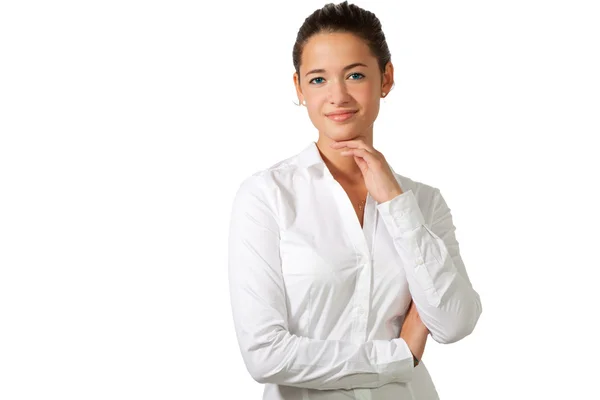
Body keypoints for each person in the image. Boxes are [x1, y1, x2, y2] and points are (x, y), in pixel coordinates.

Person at [227, 2, 482, 399]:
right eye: (318, 80)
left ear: (386, 78)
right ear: (298, 88)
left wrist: (396, 203)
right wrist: (399, 355)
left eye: (356, 75)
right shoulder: (267, 197)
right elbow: (264, 355)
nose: (338, 96)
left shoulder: (422, 202)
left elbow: (455, 322)